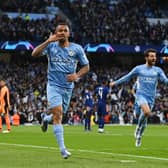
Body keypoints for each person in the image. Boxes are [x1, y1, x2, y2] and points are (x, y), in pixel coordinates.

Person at [32, 22, 90, 159]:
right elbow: (34, 54)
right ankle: (63, 149)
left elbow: (86, 67)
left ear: (69, 33)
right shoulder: (51, 46)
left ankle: (46, 119)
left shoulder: (77, 49)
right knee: (58, 115)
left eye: (65, 30)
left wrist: (77, 75)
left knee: (58, 115)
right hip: (53, 86)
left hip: (68, 88)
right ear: (56, 33)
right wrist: (47, 41)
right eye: (60, 30)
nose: (62, 32)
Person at [110, 48, 168, 147]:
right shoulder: (139, 69)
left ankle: (139, 134)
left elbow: (166, 80)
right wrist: (115, 82)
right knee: (146, 112)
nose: (154, 58)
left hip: (151, 97)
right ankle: (138, 128)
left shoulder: (158, 70)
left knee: (144, 117)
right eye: (151, 56)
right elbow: (127, 77)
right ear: (146, 57)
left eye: (155, 56)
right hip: (140, 95)